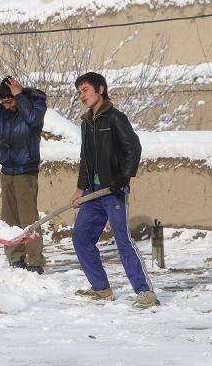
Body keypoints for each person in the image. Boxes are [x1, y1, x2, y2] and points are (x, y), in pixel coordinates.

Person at [70, 71, 159, 309]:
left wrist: (124, 177)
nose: (82, 96)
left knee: (122, 240)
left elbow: (133, 148)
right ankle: (101, 288)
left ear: (100, 89)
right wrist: (81, 189)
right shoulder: (86, 123)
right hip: (93, 192)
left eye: (85, 90)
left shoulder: (115, 118)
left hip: (114, 191)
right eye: (79, 92)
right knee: (81, 237)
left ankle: (145, 292)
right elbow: (85, 158)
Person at [0, 76, 47, 275]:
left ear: (18, 95)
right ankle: (16, 257)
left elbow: (34, 120)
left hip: (26, 171)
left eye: (9, 101)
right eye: (3, 102)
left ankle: (35, 260)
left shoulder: (35, 106)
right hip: (7, 170)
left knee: (29, 218)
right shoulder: (2, 111)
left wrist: (19, 97)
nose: (6, 106)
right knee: (10, 218)